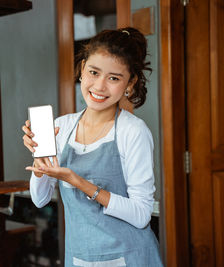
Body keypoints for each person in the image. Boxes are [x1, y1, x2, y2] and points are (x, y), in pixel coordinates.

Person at [22, 27, 163, 267]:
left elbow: (141, 215)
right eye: (94, 72)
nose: (99, 86)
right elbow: (40, 199)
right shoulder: (62, 127)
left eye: (114, 78)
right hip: (79, 258)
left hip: (131, 257)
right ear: (82, 69)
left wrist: (79, 182)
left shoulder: (133, 131)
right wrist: (40, 166)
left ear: (130, 83)